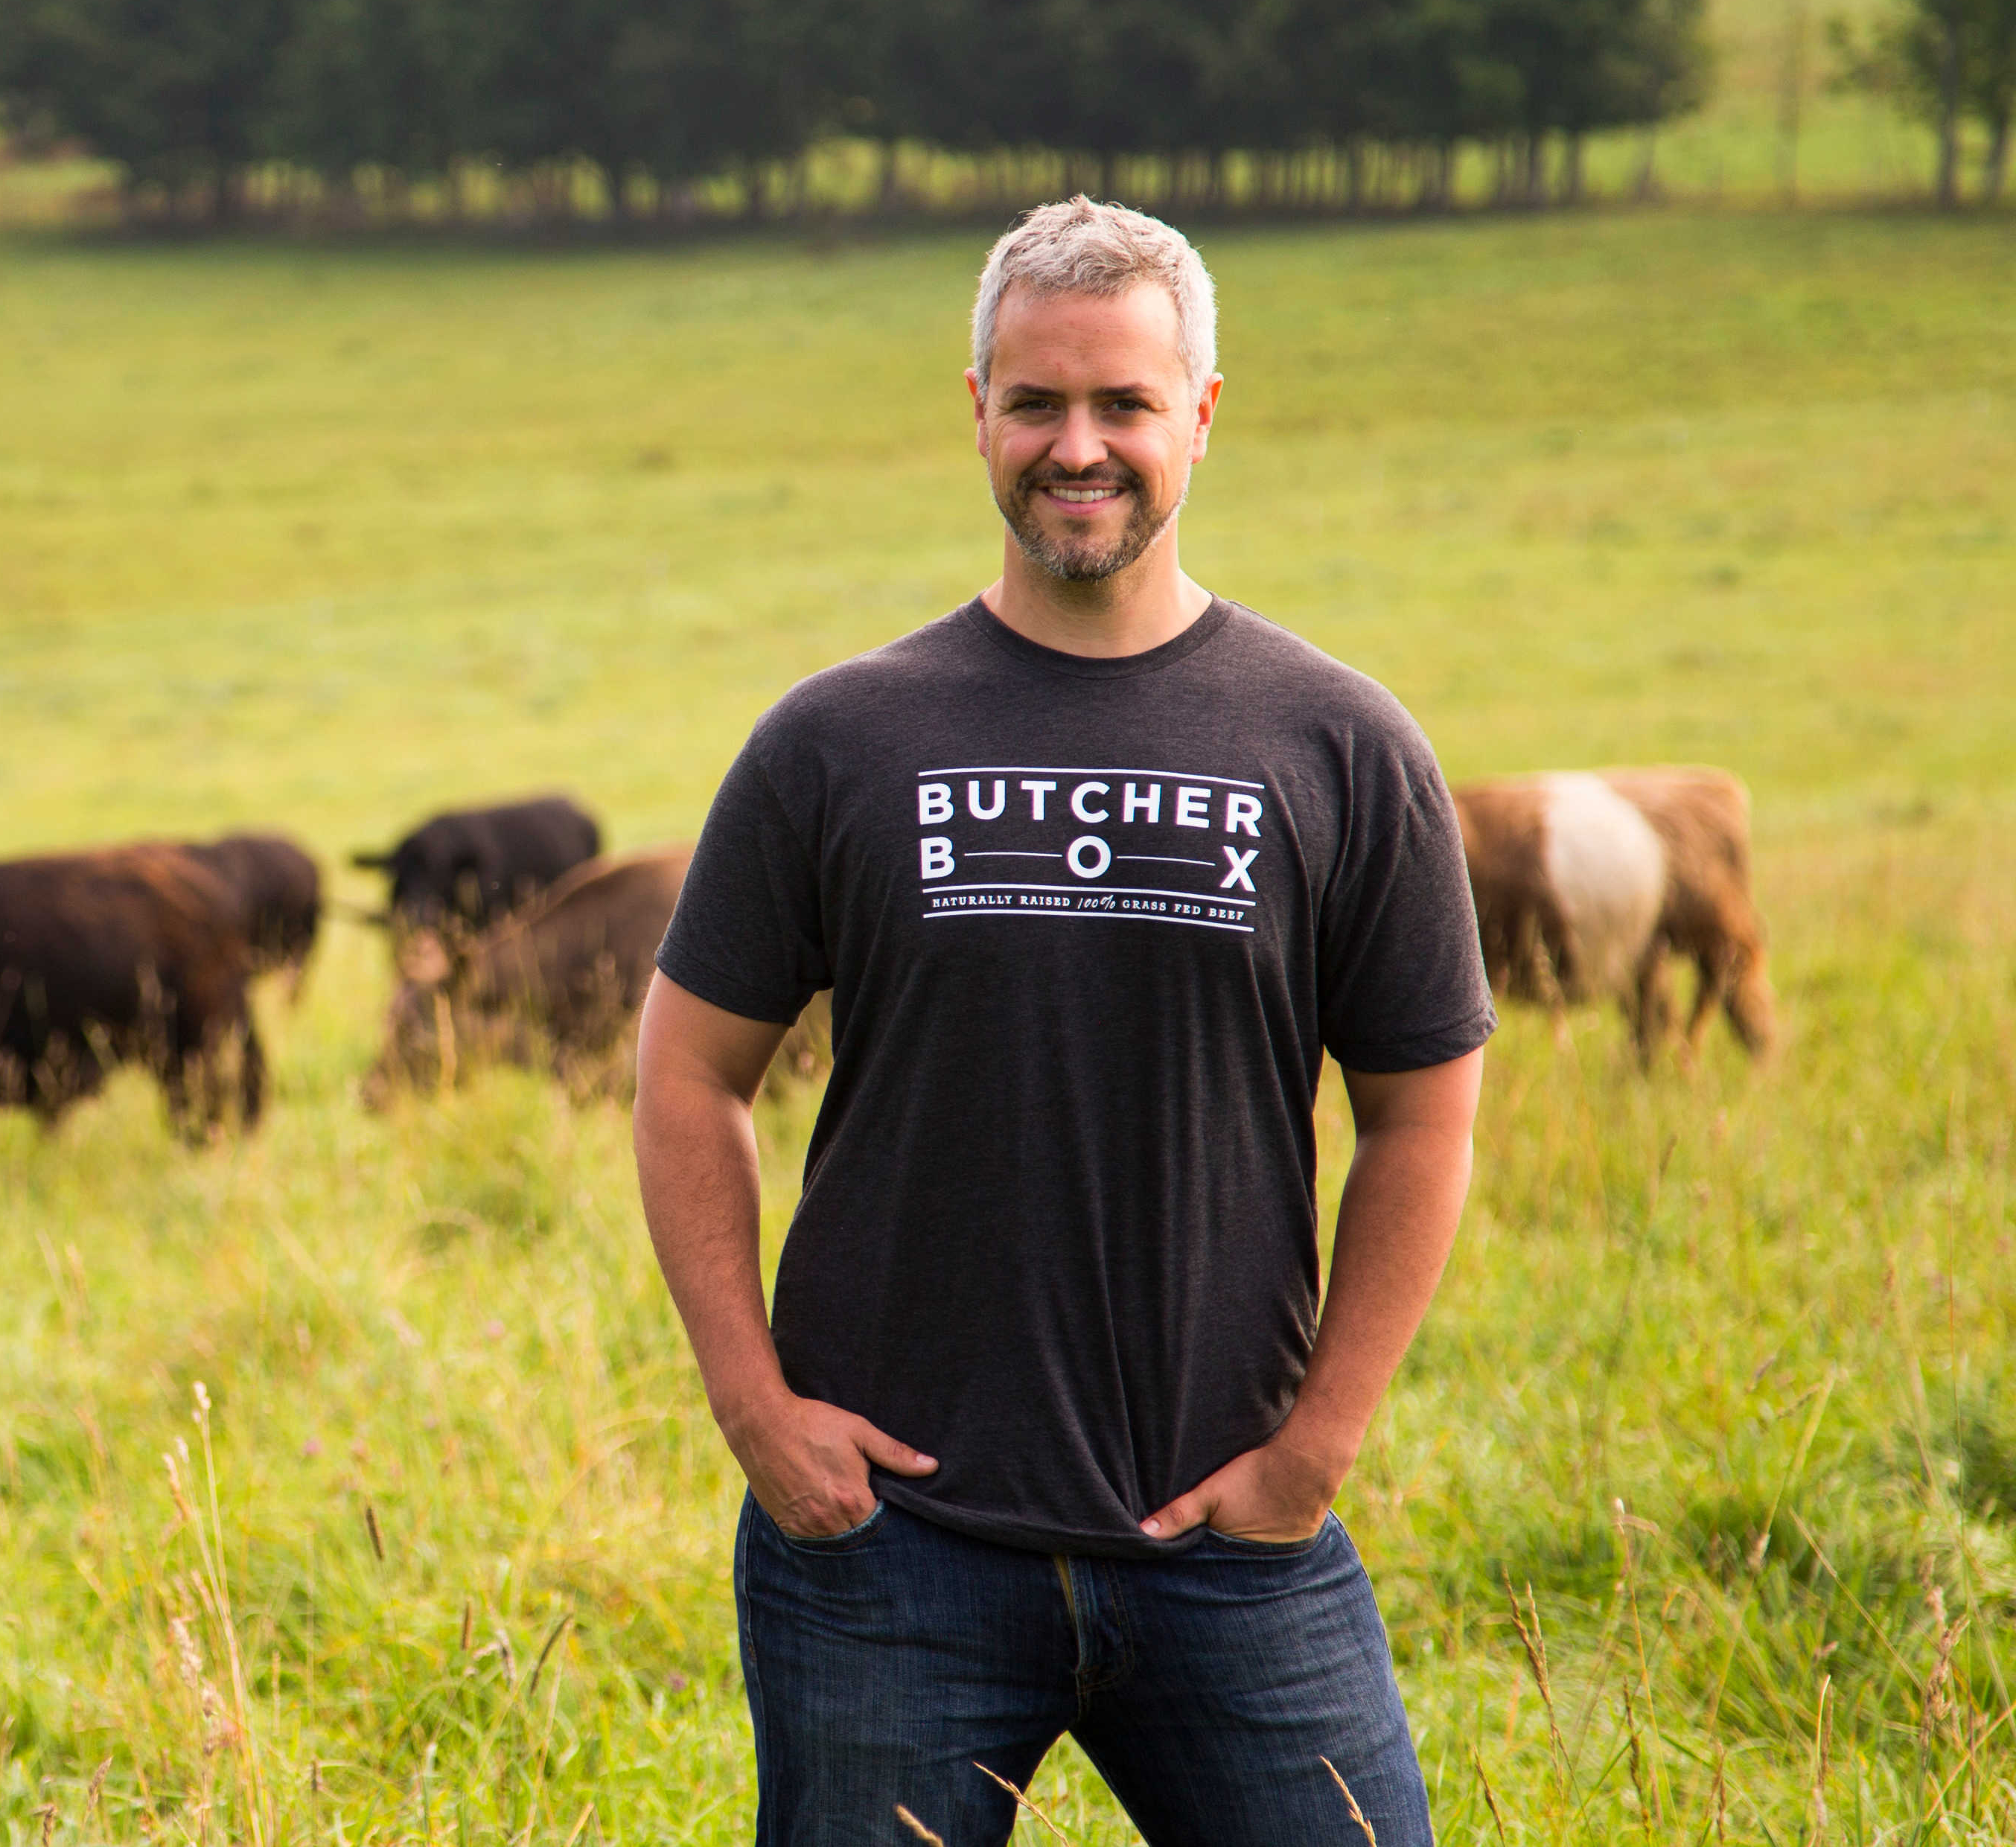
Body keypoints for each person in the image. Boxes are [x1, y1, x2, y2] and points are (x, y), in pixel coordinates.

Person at [633, 197, 1493, 1847]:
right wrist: (754, 1407)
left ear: (1205, 416)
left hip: (1232, 1554)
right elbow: (687, 1073)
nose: (1077, 446)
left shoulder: (1340, 744)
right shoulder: (836, 741)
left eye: (1124, 404)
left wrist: (1315, 1449)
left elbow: (1421, 1113)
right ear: (976, 411)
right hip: (889, 1556)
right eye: (1036, 403)